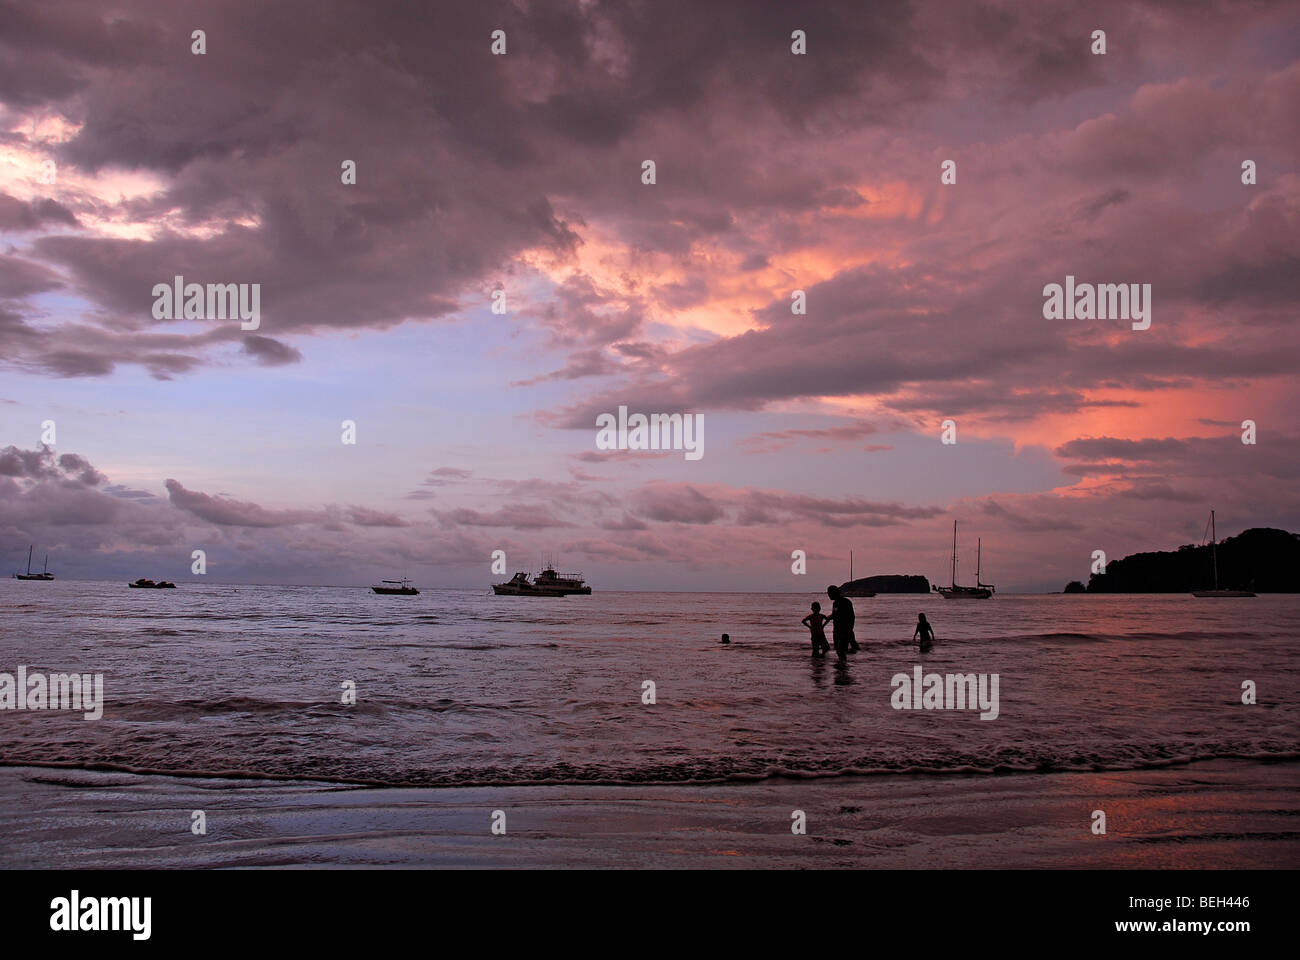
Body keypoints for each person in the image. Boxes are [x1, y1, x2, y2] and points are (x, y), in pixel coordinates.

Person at [826, 585, 859, 659]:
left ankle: (843, 667)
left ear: (833, 593)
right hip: (837, 630)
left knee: (841, 651)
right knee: (839, 650)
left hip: (844, 630)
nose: (828, 595)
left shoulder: (845, 602)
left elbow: (851, 617)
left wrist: (849, 629)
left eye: (829, 593)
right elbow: (835, 614)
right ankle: (841, 667)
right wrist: (827, 618)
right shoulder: (835, 603)